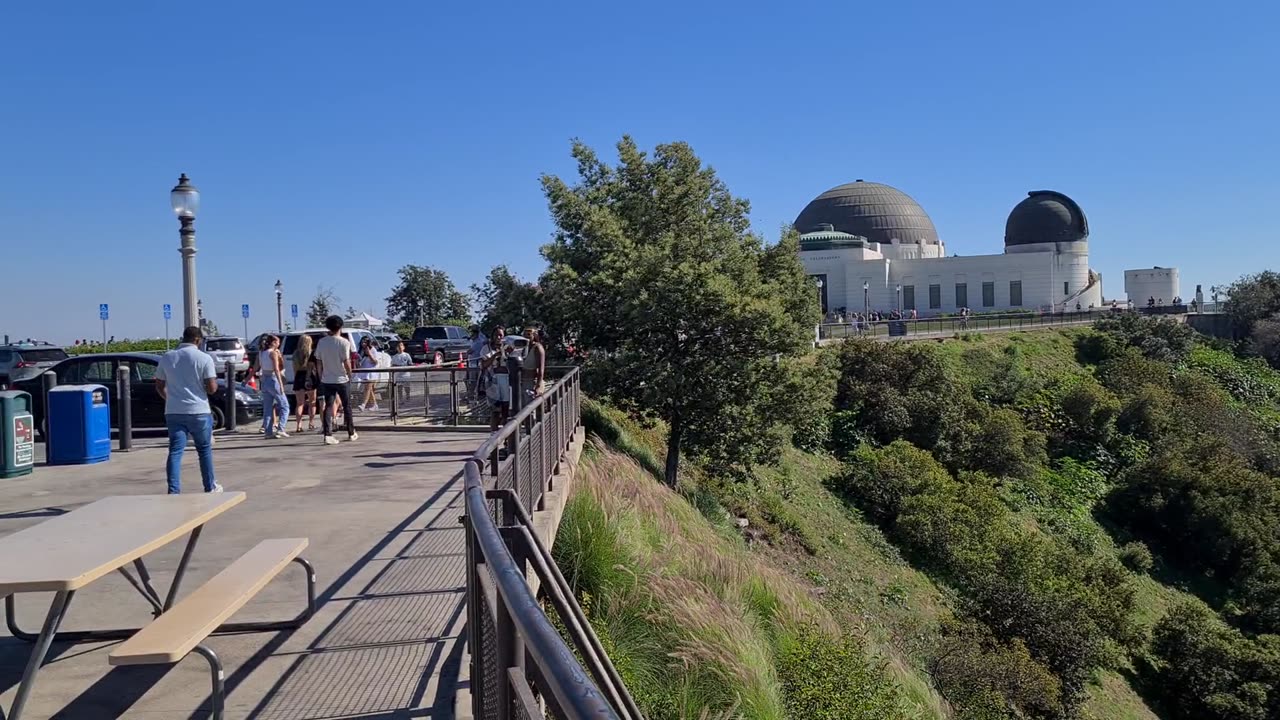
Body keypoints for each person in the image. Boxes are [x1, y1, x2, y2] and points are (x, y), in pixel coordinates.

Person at [154, 326, 221, 494]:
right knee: (204, 450)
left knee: (175, 451)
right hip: (199, 410)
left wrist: (169, 398)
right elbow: (212, 388)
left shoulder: (167, 357)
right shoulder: (204, 358)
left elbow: (159, 384)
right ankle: (210, 486)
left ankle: (174, 490)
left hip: (174, 411)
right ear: (198, 340)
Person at [315, 315, 357, 445]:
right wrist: (350, 375)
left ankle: (328, 434)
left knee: (328, 406)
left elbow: (318, 361)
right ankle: (351, 432)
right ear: (340, 326)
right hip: (341, 378)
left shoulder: (322, 342)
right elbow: (346, 361)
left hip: (327, 379)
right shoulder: (344, 342)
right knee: (347, 406)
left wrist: (321, 375)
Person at [257, 334, 290, 438]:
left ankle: (268, 431)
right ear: (274, 343)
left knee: (267, 408)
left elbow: (258, 367)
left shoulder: (262, 353)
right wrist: (280, 384)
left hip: (264, 379)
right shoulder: (273, 353)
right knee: (285, 406)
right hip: (272, 378)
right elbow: (277, 369)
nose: (279, 344)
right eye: (278, 342)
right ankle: (281, 428)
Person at [483, 328, 511, 430]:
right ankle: (493, 435)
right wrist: (495, 355)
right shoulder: (487, 348)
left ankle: (507, 436)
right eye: (496, 335)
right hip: (493, 381)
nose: (498, 338)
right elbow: (483, 364)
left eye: (501, 335)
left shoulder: (509, 347)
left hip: (507, 381)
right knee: (495, 410)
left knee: (506, 410)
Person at [292, 334, 318, 433]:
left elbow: (294, 368)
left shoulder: (295, 354)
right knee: (312, 402)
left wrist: (296, 378)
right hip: (310, 376)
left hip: (299, 376)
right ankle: (311, 423)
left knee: (299, 403)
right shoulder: (312, 353)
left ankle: (299, 425)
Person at [521, 327, 546, 405]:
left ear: (534, 335)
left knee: (531, 407)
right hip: (522, 381)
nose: (526, 337)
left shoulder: (537, 348)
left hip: (532, 381)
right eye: (524, 335)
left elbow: (541, 368)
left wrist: (538, 386)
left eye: (529, 335)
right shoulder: (521, 347)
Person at [355, 337, 380, 412]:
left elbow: (375, 362)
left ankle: (363, 404)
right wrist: (357, 361)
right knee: (370, 389)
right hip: (364, 372)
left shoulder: (373, 350)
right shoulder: (361, 351)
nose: (363, 344)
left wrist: (369, 354)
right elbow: (359, 363)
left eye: (365, 342)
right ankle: (374, 404)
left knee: (367, 388)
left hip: (371, 372)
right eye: (362, 342)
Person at [467, 325, 488, 399]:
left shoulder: (478, 342)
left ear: (476, 333)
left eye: (472, 333)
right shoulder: (475, 341)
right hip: (472, 363)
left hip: (475, 364)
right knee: (471, 380)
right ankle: (474, 395)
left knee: (474, 381)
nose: (471, 335)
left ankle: (473, 396)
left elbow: (469, 351)